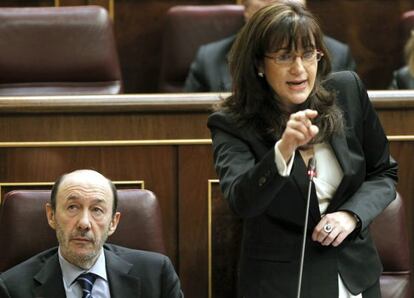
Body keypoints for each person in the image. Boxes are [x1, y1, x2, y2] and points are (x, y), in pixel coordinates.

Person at [207, 2, 397, 298]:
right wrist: (283, 150)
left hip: (354, 276)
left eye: (308, 54)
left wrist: (351, 215)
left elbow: (384, 172)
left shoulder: (347, 91)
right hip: (282, 283)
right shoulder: (231, 122)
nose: (299, 69)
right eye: (284, 57)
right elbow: (242, 202)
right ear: (258, 64)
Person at [0, 169, 183, 298]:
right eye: (72, 207)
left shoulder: (156, 275)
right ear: (52, 216)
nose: (84, 223)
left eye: (97, 210)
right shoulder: (12, 289)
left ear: (113, 222)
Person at [184, 0, 356, 92]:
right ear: (243, 6)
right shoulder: (210, 59)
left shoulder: (338, 54)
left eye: (308, 55)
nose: (277, 3)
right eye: (284, 56)